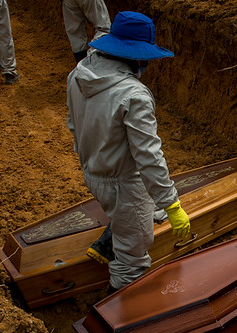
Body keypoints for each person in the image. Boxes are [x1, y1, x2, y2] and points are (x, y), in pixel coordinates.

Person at [66, 11, 191, 294]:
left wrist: (91, 159)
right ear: (138, 56)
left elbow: (74, 124)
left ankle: (120, 229)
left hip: (93, 170)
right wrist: (171, 205)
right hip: (123, 183)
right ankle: (115, 315)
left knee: (136, 213)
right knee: (132, 260)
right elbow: (148, 157)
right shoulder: (134, 95)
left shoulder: (78, 74)